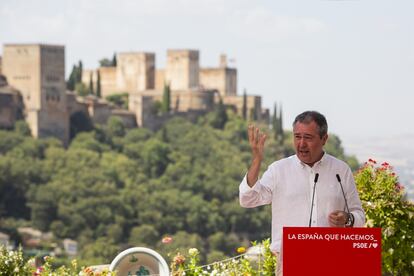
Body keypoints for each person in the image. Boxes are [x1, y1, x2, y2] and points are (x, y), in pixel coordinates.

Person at [239, 111, 365, 275]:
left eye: (308, 137)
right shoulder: (279, 170)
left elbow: (359, 216)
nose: (301, 144)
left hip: (333, 260)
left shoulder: (341, 170)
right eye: (297, 137)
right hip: (290, 263)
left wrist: (347, 219)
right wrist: (256, 161)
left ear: (324, 139)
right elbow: (247, 199)